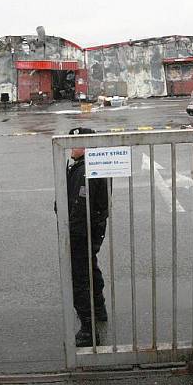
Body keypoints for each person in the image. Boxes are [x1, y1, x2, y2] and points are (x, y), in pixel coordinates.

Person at [65, 127, 109, 347]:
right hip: (90, 232)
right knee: (90, 267)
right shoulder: (85, 166)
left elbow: (80, 208)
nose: (71, 147)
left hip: (81, 234)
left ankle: (88, 329)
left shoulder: (86, 171)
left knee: (79, 280)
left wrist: (70, 234)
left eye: (75, 143)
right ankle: (99, 308)